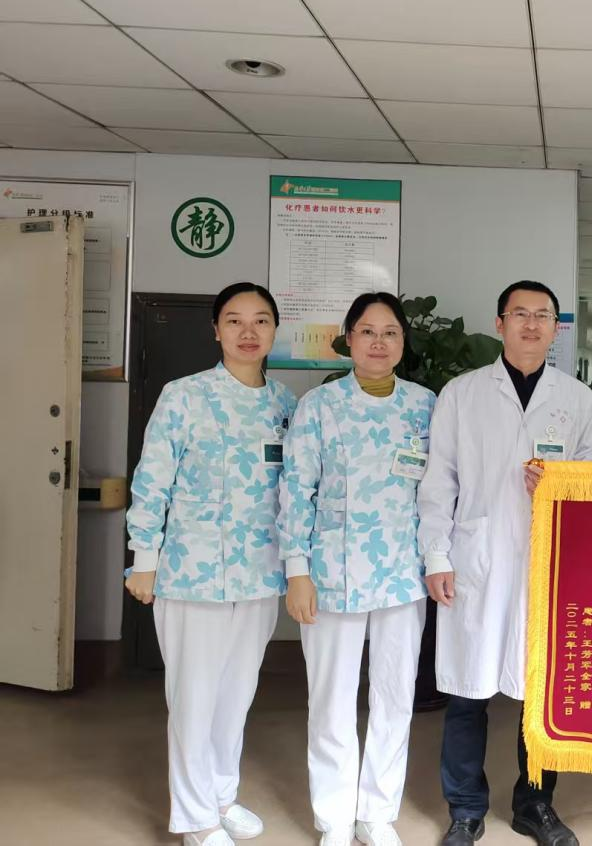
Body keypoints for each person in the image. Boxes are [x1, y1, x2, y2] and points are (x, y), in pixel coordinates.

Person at [419, 280, 592, 846]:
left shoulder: (577, 398)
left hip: (551, 562)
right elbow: (438, 481)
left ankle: (535, 804)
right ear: (500, 323)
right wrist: (436, 554)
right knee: (466, 693)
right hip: (475, 559)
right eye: (520, 314)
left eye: (542, 315)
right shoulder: (462, 393)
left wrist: (565, 482)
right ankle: (465, 809)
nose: (531, 324)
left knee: (541, 694)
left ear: (555, 329)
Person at [124, 282, 297, 846]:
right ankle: (196, 818)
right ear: (216, 330)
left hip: (260, 572)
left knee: (236, 696)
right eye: (234, 320)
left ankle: (222, 795)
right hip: (190, 572)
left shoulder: (286, 405)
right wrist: (143, 557)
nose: (248, 332)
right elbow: (152, 478)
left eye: (261, 320)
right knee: (194, 699)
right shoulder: (184, 396)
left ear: (274, 330)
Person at [280, 292, 437, 846]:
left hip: (403, 573)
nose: (378, 342)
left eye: (390, 332)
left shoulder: (425, 405)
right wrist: (297, 570)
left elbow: (439, 489)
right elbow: (295, 488)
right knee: (331, 700)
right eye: (367, 331)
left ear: (402, 342)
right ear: (348, 339)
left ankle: (377, 813)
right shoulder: (320, 406)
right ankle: (334, 816)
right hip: (331, 574)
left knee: (395, 697)